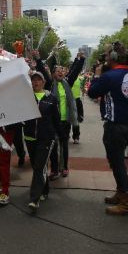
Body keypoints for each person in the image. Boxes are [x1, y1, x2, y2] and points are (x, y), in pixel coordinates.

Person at [86, 42, 128, 216]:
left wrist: (97, 75)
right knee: (118, 162)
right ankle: (121, 192)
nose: (105, 58)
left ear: (114, 57)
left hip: (115, 126)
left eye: (107, 55)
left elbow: (92, 93)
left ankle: (127, 202)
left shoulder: (109, 76)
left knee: (117, 163)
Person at [36, 50, 85, 178]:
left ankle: (64, 167)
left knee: (64, 145)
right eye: (57, 71)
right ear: (53, 74)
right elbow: (42, 70)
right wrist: (38, 58)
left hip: (65, 120)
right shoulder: (50, 84)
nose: (60, 72)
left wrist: (81, 59)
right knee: (53, 146)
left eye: (62, 71)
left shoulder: (67, 83)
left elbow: (75, 71)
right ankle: (54, 169)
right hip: (53, 121)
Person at [23, 71, 61, 211]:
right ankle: (44, 190)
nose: (36, 82)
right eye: (33, 80)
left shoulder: (52, 98)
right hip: (30, 137)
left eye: (38, 80)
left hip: (46, 138)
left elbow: (56, 119)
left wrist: (61, 135)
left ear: (44, 82)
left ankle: (34, 199)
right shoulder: (26, 97)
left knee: (39, 167)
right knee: (37, 166)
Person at [71, 71, 86, 144]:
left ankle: (76, 137)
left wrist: (83, 91)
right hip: (67, 100)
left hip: (77, 100)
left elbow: (83, 86)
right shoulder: (67, 78)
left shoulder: (80, 78)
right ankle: (65, 135)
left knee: (76, 120)